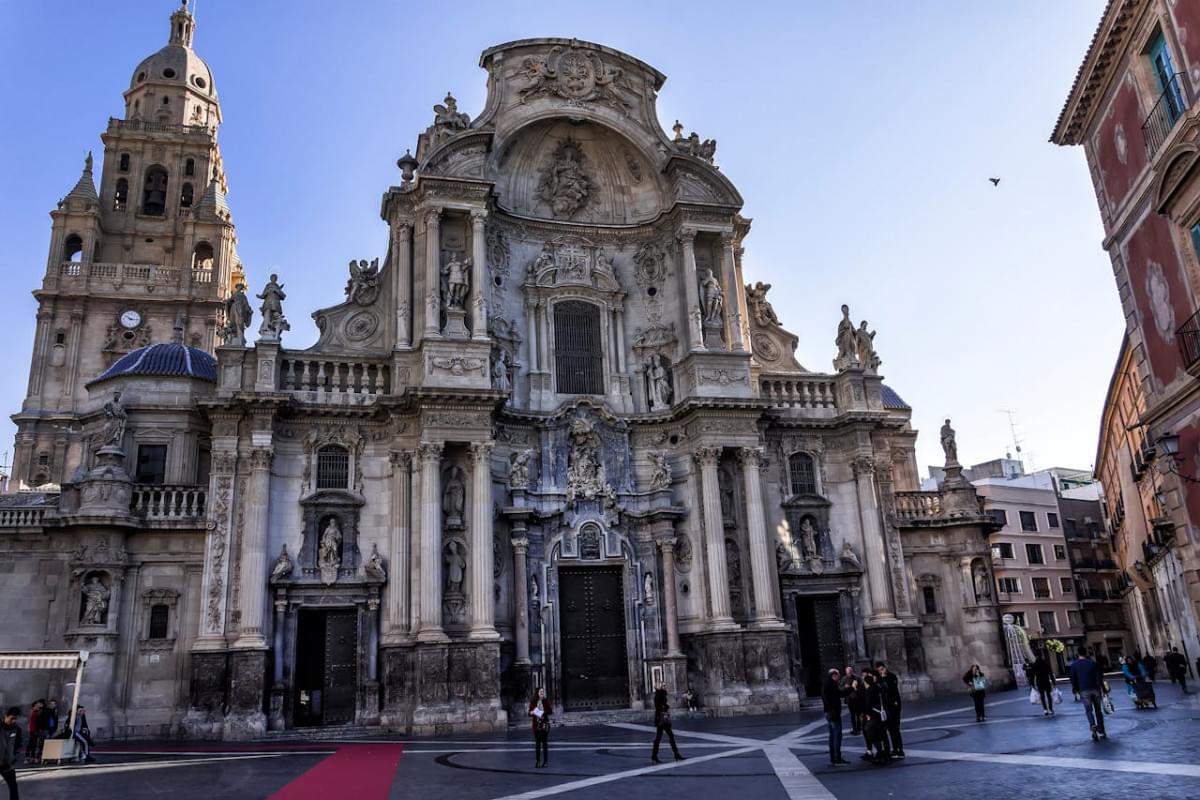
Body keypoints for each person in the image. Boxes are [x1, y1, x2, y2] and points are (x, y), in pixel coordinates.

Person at [1069, 650, 1107, 740]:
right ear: (1086, 654)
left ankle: (1092, 725)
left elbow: (1073, 678)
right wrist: (1103, 688)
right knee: (1098, 710)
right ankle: (1101, 730)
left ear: (1078, 654)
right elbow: (1100, 676)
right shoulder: (1093, 663)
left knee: (1088, 710)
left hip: (1084, 690)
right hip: (1095, 689)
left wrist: (1076, 688)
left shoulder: (1074, 665)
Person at [875, 662, 904, 759]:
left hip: (894, 706)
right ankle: (895, 749)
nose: (881, 671)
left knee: (895, 729)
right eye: (879, 670)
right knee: (890, 730)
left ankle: (899, 750)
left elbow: (891, 688)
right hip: (886, 707)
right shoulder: (879, 678)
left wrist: (883, 677)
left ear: (885, 667)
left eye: (882, 669)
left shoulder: (892, 677)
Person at [650, 681, 684, 764]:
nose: (665, 686)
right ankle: (655, 755)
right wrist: (665, 706)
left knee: (669, 736)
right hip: (661, 719)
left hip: (664, 719)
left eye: (665, 685)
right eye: (663, 685)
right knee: (659, 738)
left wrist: (665, 706)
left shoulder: (663, 694)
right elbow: (658, 707)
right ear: (660, 687)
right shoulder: (658, 695)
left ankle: (676, 753)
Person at [822, 668, 849, 766]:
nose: (839, 677)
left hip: (828, 712)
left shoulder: (826, 684)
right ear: (834, 675)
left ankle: (833, 758)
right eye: (838, 675)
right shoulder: (831, 685)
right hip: (833, 713)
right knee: (837, 735)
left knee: (832, 735)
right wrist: (849, 688)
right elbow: (839, 694)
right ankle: (837, 758)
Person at [861, 672, 890, 765]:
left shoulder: (870, 690)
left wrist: (867, 714)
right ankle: (885, 754)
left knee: (871, 734)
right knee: (882, 734)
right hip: (881, 715)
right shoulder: (878, 688)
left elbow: (868, 705)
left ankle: (880, 753)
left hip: (873, 716)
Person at [1, 707, 22, 800]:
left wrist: (13, 758)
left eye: (15, 719)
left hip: (8, 765)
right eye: (12, 718)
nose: (13, 721)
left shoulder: (17, 730)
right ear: (6, 716)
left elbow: (18, 745)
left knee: (13, 786)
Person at [529, 688, 550, 768]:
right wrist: (531, 712)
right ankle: (537, 761)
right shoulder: (533, 702)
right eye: (540, 691)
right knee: (537, 744)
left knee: (544, 743)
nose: (542, 693)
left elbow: (550, 711)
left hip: (544, 725)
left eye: (543, 692)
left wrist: (543, 712)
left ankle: (545, 762)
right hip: (536, 725)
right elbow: (529, 712)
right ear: (537, 693)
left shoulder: (545, 701)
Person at [840, 666, 863, 736]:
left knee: (858, 714)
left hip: (858, 698)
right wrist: (845, 687)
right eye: (848, 672)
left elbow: (862, 686)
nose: (849, 673)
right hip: (850, 699)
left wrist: (857, 688)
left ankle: (859, 728)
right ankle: (854, 729)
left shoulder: (857, 678)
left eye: (850, 672)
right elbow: (841, 688)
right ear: (846, 673)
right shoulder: (844, 679)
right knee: (852, 715)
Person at [24, 700, 42, 765]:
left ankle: (32, 757)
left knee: (33, 744)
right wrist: (34, 730)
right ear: (34, 706)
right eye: (37, 705)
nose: (38, 706)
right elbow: (32, 722)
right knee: (31, 743)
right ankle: (28, 757)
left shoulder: (36, 712)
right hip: (33, 730)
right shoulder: (33, 712)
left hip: (34, 730)